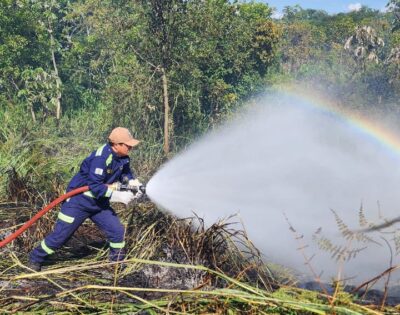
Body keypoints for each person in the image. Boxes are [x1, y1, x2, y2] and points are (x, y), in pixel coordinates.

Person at [28, 127, 142, 271]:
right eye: (128, 145)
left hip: (99, 204)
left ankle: (116, 264)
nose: (131, 147)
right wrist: (118, 196)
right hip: (78, 202)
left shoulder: (123, 157)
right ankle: (35, 258)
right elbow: (95, 186)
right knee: (60, 237)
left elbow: (125, 173)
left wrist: (132, 182)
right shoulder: (101, 158)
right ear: (116, 145)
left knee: (117, 231)